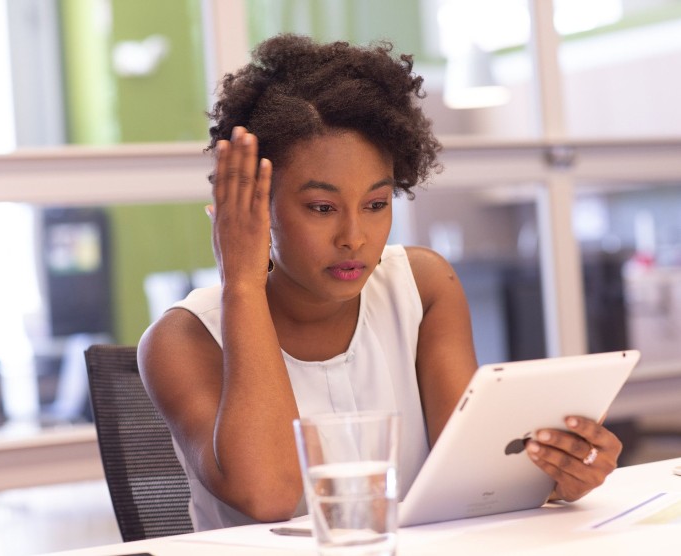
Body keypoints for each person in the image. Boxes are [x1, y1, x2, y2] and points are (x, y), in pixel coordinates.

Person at [137, 33, 622, 531]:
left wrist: (556, 474)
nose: (354, 238)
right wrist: (241, 282)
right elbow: (272, 494)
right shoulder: (181, 341)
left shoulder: (423, 288)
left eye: (376, 204)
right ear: (258, 207)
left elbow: (477, 478)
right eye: (321, 208)